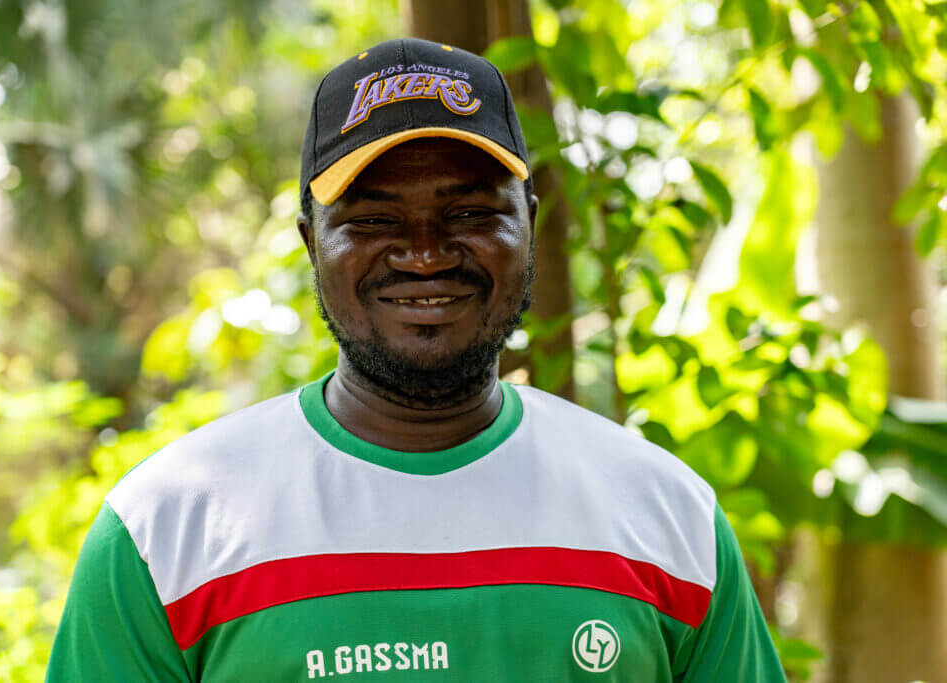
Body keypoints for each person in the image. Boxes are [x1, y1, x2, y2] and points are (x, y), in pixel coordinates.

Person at [46, 38, 786, 681]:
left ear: (529, 225)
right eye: (373, 218)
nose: (426, 254)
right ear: (311, 242)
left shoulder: (666, 517)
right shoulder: (166, 533)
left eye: (471, 212)